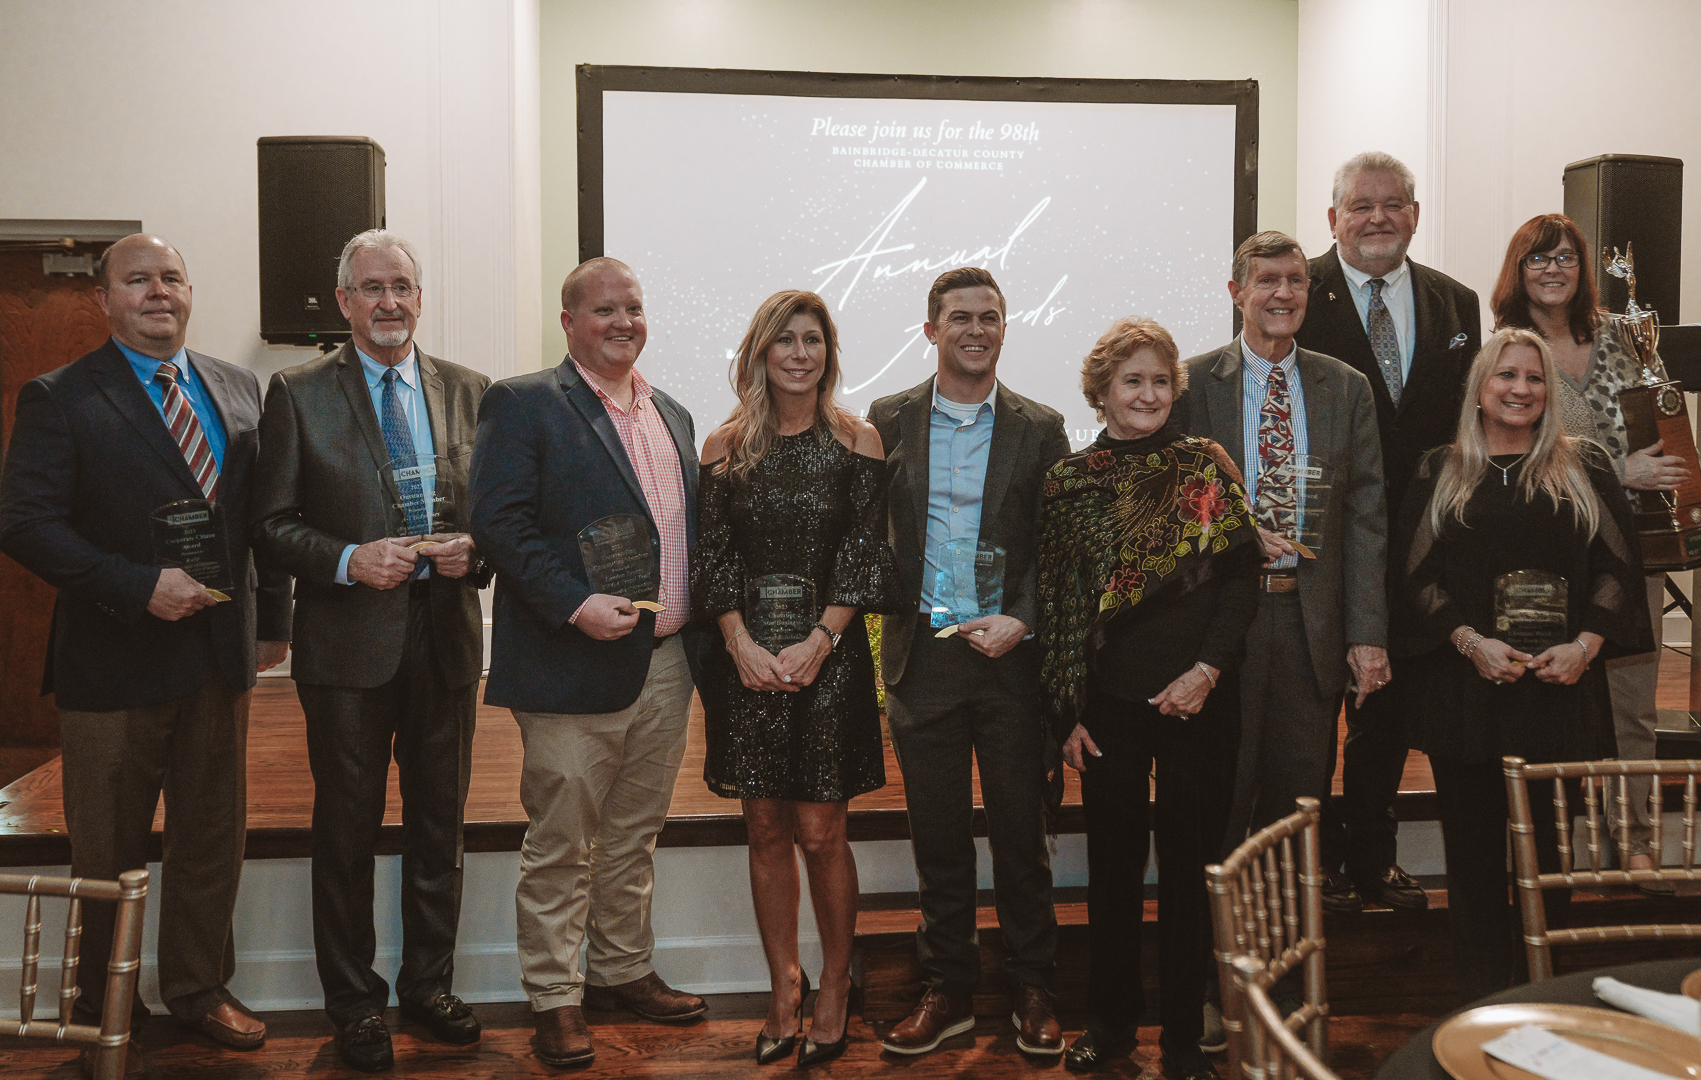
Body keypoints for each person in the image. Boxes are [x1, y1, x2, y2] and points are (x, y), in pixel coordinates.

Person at [0, 233, 290, 1079]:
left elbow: (263, 517)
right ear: (104, 299)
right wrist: (136, 586)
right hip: (113, 661)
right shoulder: (60, 396)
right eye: (137, 280)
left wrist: (273, 619)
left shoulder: (236, 387)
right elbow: (24, 522)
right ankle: (103, 1008)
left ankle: (199, 989)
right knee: (107, 850)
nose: (157, 291)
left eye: (171, 277)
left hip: (218, 656)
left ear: (190, 292)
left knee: (211, 839)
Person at [253, 229, 490, 1072]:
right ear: (344, 302)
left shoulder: (471, 391)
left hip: (446, 640)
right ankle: (354, 1003)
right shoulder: (297, 392)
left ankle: (428, 986)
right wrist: (349, 559)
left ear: (419, 298)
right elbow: (270, 525)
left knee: (440, 827)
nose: (389, 302)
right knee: (346, 831)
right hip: (347, 648)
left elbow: (495, 517)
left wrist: (476, 552)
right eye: (371, 288)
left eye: (402, 287)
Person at [469, 257, 709, 1069]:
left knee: (633, 834)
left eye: (632, 308)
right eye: (604, 310)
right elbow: (499, 525)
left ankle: (620, 970)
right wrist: (574, 604)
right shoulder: (525, 402)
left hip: (666, 662)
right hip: (571, 661)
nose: (622, 322)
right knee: (563, 842)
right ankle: (554, 997)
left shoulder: (673, 412)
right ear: (569, 321)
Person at [1395, 327, 1651, 998]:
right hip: (1468, 693)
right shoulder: (1440, 469)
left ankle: (1545, 999)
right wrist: (1469, 643)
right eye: (1506, 375)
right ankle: (1481, 1005)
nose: (1520, 388)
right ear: (1480, 388)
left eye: (1534, 378)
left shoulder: (1583, 465)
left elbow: (1618, 568)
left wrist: (1585, 647)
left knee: (1549, 865)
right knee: (1473, 862)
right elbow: (1416, 577)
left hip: (1559, 692)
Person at [1037, 318, 1261, 1077]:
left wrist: (1207, 670)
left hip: (1199, 700)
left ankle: (1181, 1038)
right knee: (1111, 871)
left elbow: (1240, 580)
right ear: (1100, 391)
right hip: (1109, 710)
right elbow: (1060, 606)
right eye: (1131, 380)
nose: (1148, 394)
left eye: (1161, 381)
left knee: (1191, 871)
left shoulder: (1202, 467)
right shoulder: (1069, 482)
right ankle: (1109, 1023)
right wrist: (1067, 713)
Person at [870, 266, 1073, 1059]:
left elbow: (1056, 548)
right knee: (940, 841)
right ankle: (947, 989)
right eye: (960, 317)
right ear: (931, 330)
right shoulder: (887, 419)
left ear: (1003, 328)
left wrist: (1023, 619)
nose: (976, 329)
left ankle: (1033, 984)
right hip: (923, 659)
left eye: (989, 316)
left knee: (1022, 835)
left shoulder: (1040, 427)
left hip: (1009, 661)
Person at [692, 290, 896, 1067]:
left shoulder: (858, 441)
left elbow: (863, 555)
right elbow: (713, 558)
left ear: (828, 353)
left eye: (813, 340)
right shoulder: (723, 446)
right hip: (745, 666)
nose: (799, 354)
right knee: (766, 829)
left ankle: (835, 985)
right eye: (785, 340)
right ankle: (784, 987)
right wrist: (740, 645)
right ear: (760, 352)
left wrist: (819, 641)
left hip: (829, 661)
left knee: (820, 831)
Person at [1297, 151, 1482, 914]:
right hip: (1318, 544)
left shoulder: (1456, 304)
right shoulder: (1296, 292)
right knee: (1314, 714)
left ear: (1414, 213)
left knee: (1389, 714)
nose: (1377, 218)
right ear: (1332, 217)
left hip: (1419, 547)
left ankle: (1372, 855)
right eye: (1360, 205)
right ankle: (1313, 863)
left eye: (1393, 203)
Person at [1172, 230, 1390, 858]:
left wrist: (1367, 632)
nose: (1284, 293)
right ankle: (1219, 920)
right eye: (1267, 280)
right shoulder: (1190, 385)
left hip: (1309, 620)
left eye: (1296, 280)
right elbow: (1173, 510)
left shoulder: (1345, 387)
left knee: (1298, 802)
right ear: (1237, 292)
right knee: (1220, 795)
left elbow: (1366, 518)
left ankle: (1289, 919)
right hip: (1220, 622)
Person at [1490, 214, 1686, 888]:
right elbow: (1505, 452)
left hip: (1634, 549)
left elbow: (1663, 416)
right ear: (1518, 270)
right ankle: (1554, 847)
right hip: (1547, 557)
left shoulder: (1625, 337)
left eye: (1566, 257)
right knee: (1551, 703)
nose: (1553, 269)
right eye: (1538, 258)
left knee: (1631, 701)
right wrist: (1618, 471)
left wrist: (1675, 477)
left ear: (1583, 269)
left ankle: (1633, 838)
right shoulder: (1508, 351)